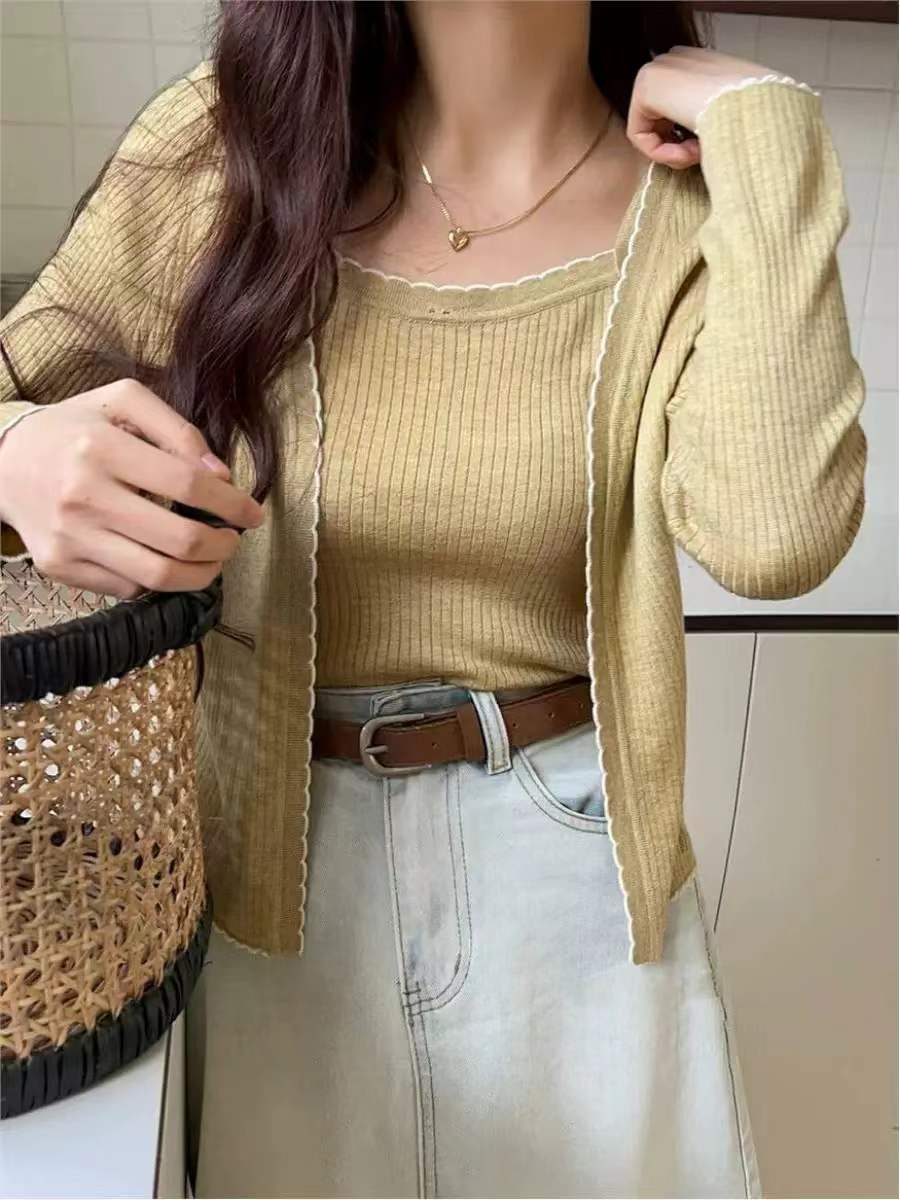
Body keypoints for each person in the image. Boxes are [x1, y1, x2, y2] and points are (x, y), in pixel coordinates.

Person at [0, 2, 866, 1197]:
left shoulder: (697, 208)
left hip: (572, 872)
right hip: (271, 866)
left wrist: (773, 138)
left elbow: (776, 538)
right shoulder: (229, 153)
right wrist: (17, 451)